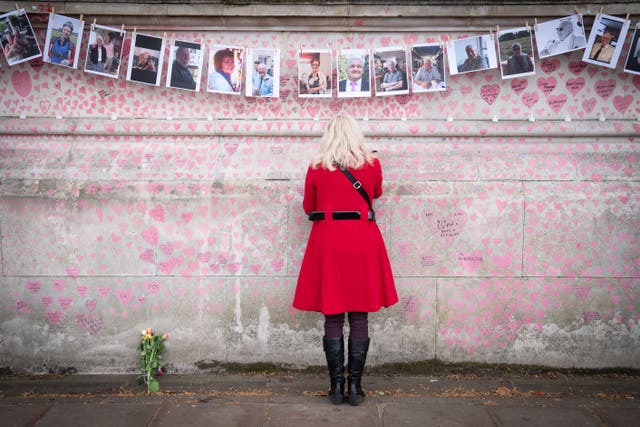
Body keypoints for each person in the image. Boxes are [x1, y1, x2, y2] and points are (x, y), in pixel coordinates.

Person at [293, 114, 398, 406]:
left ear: (329, 135)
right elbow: (376, 193)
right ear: (356, 135)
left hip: (328, 242)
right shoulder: (372, 163)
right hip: (362, 240)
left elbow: (308, 207)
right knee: (359, 313)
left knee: (333, 312)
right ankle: (357, 388)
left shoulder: (316, 166)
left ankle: (336, 388)